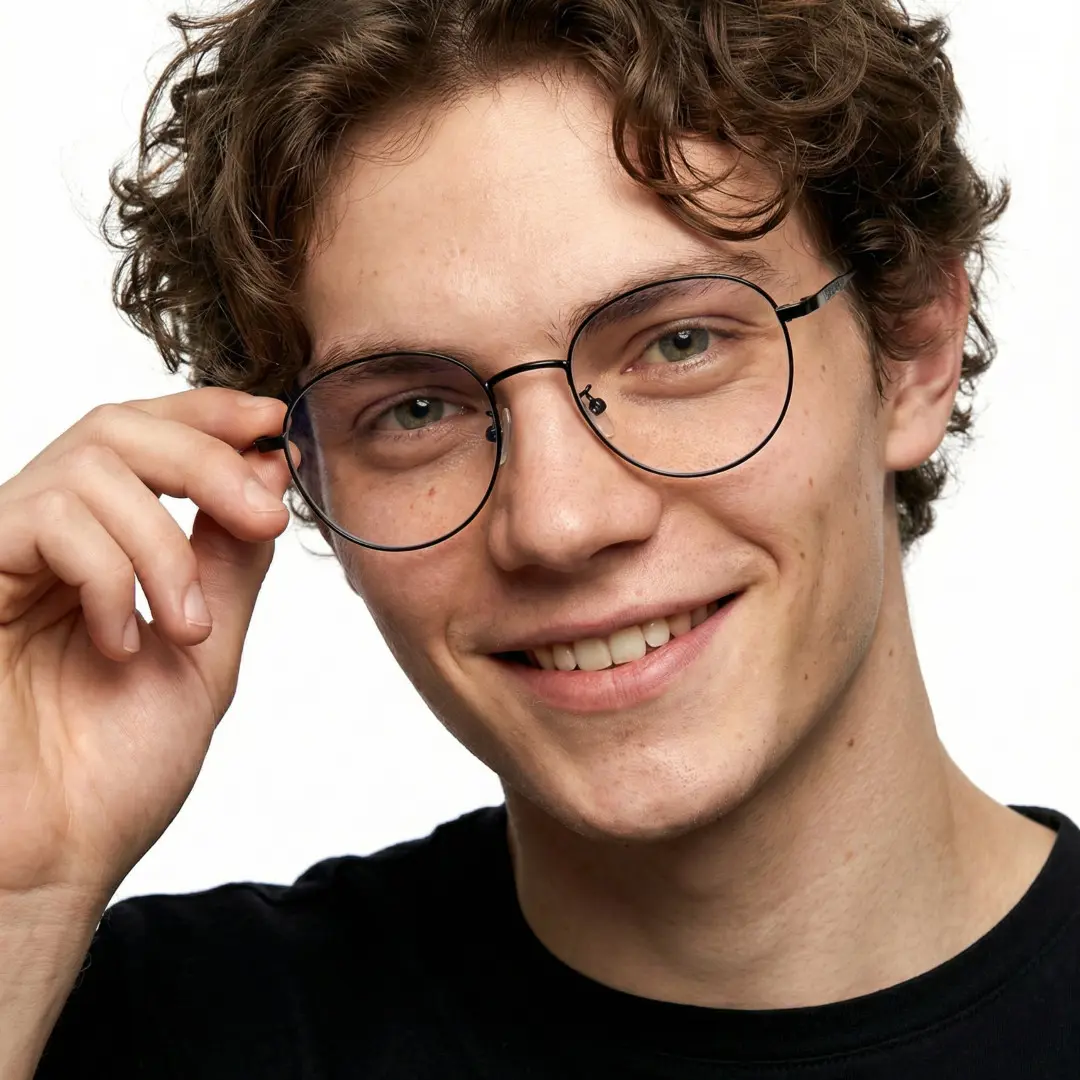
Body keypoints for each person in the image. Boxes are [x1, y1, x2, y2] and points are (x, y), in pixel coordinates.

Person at [1, 0, 1076, 1075]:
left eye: (679, 342)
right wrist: (17, 900)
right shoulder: (153, 1029)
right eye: (415, 411)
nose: (559, 522)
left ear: (915, 351)